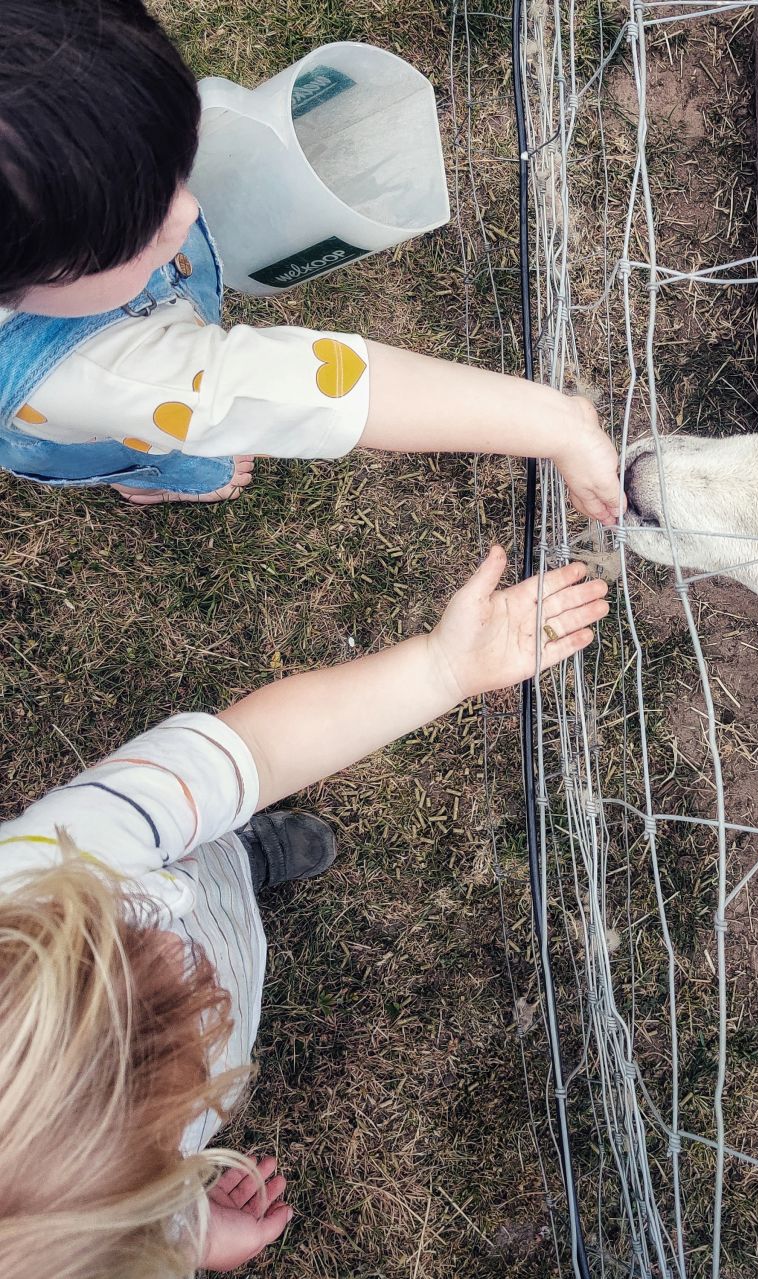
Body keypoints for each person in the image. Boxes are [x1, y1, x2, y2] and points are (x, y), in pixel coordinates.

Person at [0, 545, 610, 1277]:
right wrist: (177, 1227)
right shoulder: (86, 1229)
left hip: (174, 862)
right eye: (180, 1054)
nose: (177, 961)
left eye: (127, 954)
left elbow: (258, 745)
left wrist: (441, 669)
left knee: (211, 869)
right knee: (218, 957)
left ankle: (245, 854)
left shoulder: (67, 848)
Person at [0, 0, 623, 519]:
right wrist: (558, 422)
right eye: (135, 230)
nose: (187, 213)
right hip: (93, 408)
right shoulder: (98, 377)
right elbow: (324, 387)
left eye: (171, 171)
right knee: (179, 435)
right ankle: (167, 475)